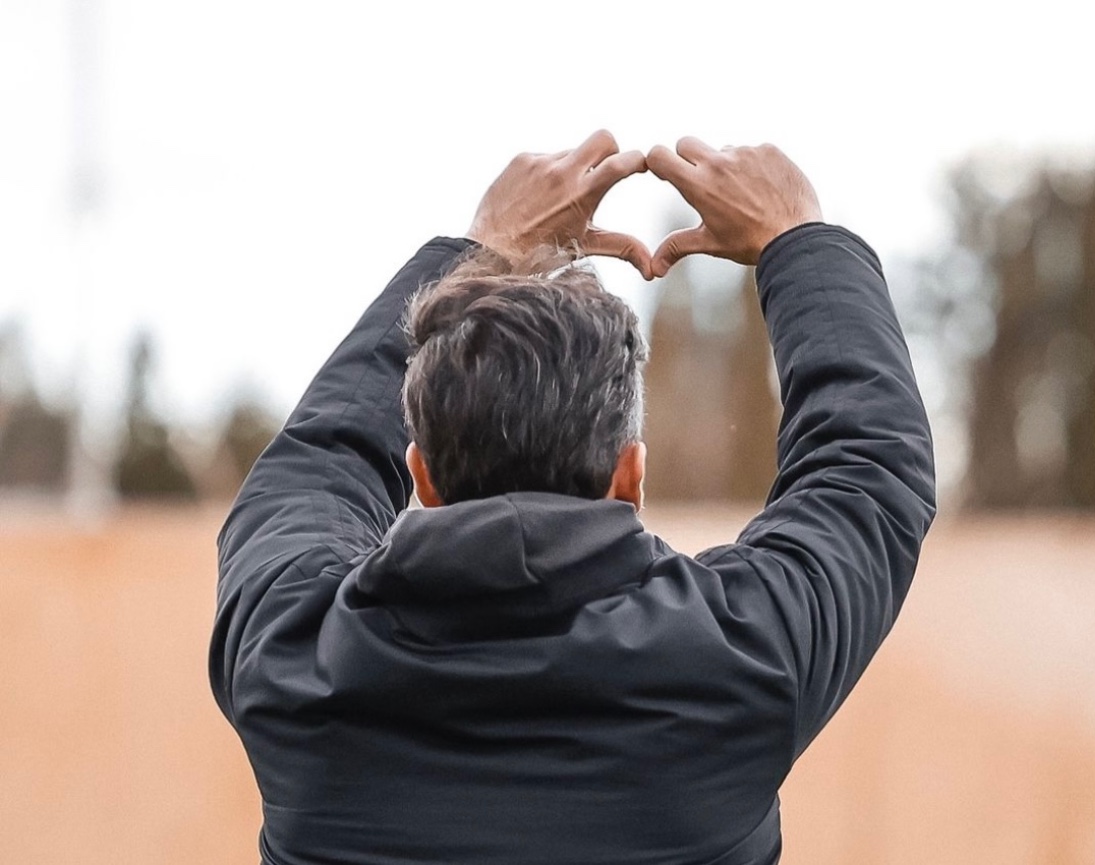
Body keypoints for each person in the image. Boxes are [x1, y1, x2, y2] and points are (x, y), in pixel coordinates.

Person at [210, 130, 936, 865]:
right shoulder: (739, 661)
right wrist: (800, 238)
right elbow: (867, 467)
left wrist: (478, 247)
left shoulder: (290, 655)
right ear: (630, 477)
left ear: (421, 477)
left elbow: (317, 463)